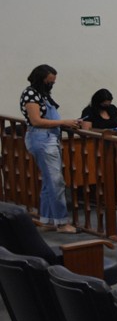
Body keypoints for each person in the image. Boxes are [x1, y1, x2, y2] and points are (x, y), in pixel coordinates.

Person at [20, 64, 82, 233]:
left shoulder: (43, 94)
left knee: (49, 182)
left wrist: (69, 123)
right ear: (40, 79)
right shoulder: (30, 94)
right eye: (49, 81)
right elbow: (36, 121)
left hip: (49, 138)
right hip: (41, 139)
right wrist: (63, 122)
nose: (51, 84)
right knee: (56, 182)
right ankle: (62, 223)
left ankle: (48, 220)